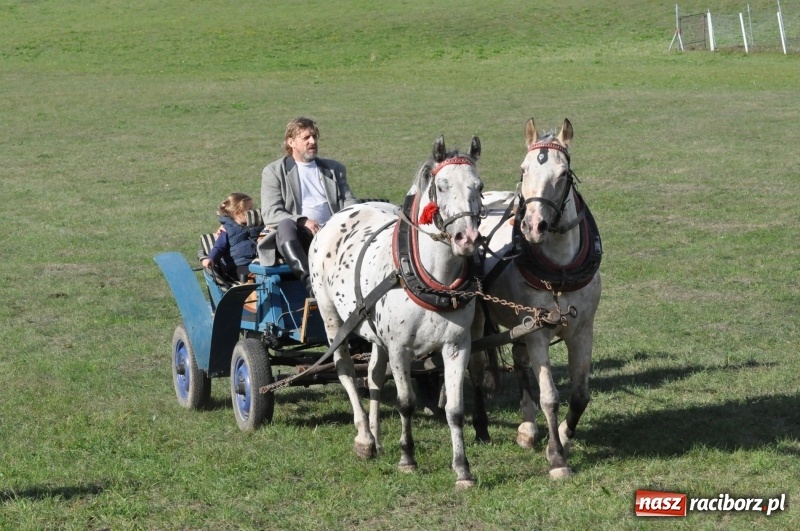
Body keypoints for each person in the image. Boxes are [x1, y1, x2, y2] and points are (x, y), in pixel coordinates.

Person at [258, 117, 358, 296]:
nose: (312, 141)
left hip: (335, 232)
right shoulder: (274, 171)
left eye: (314, 136)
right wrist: (302, 221)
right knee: (286, 224)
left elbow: (349, 202)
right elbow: (271, 213)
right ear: (291, 142)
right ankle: (311, 283)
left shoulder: (334, 168)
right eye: (306, 138)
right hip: (299, 236)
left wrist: (337, 224)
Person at [202, 192, 264, 283]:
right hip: (239, 265)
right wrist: (211, 258)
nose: (253, 212)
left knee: (268, 271)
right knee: (248, 274)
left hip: (258, 261)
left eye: (253, 208)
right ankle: (252, 285)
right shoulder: (227, 229)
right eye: (249, 209)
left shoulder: (258, 226)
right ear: (238, 213)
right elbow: (219, 247)